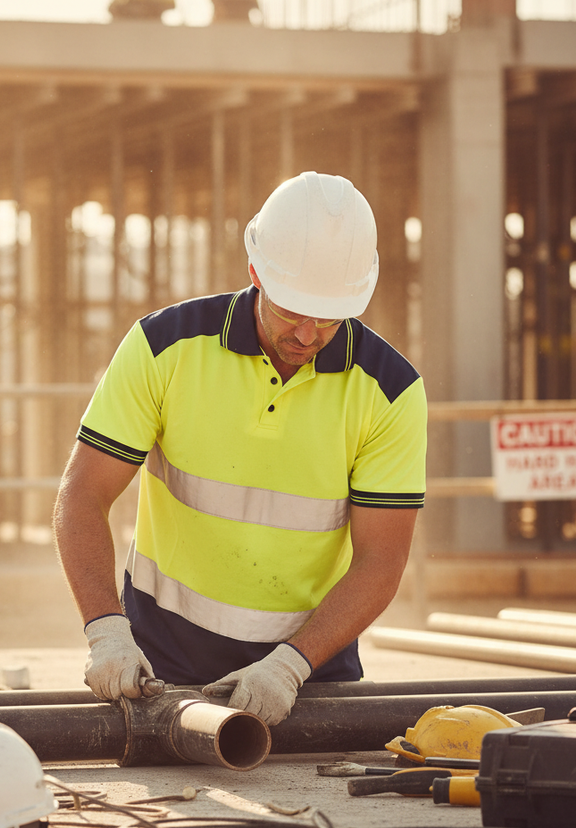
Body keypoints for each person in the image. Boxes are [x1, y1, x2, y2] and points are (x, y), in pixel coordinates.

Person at [53, 172, 427, 725]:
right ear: (256, 273)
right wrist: (107, 632)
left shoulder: (391, 391)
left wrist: (290, 666)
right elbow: (82, 496)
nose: (307, 334)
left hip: (309, 677)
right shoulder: (164, 348)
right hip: (162, 669)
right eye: (293, 310)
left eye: (328, 318)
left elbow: (382, 559)